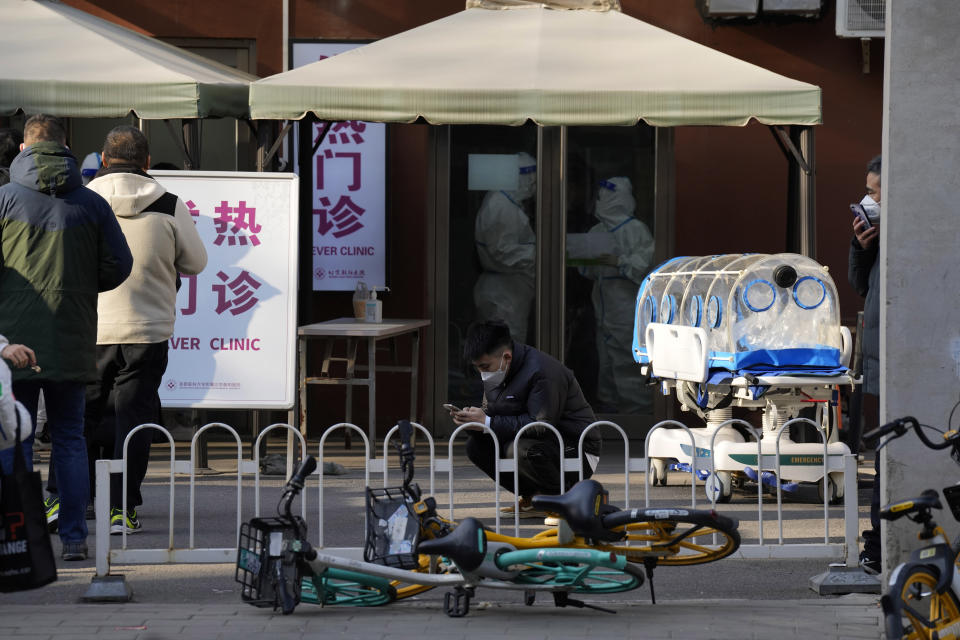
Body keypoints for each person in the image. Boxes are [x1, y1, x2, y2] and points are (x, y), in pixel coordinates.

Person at [0, 114, 133, 561]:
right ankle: (75, 538)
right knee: (70, 438)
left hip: (13, 343)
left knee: (14, 437)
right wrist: (78, 288)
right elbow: (120, 264)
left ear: (24, 149)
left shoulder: (3, 200)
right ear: (66, 148)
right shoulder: (91, 204)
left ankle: (18, 539)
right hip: (74, 336)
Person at [85, 125, 207, 535]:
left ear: (103, 160)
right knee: (133, 420)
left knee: (82, 417)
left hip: (92, 328)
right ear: (147, 163)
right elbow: (196, 262)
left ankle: (78, 502)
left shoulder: (84, 200)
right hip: (148, 329)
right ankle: (123, 509)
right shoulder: (169, 204)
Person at [451, 320, 601, 516]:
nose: (482, 373)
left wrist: (487, 422)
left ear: (506, 357)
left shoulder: (542, 371)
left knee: (520, 449)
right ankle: (533, 497)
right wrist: (475, 422)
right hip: (540, 443)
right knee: (476, 447)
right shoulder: (497, 372)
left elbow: (540, 425)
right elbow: (493, 414)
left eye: (485, 366)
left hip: (577, 447)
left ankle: (560, 501)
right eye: (478, 367)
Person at [578, 177, 655, 414]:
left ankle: (636, 413)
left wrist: (618, 261)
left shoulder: (635, 229)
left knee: (627, 360)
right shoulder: (597, 230)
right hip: (603, 305)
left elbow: (644, 267)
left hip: (626, 306)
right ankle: (610, 410)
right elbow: (586, 270)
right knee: (607, 361)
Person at [848, 154, 882, 574]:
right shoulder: (875, 232)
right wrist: (860, 247)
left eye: (875, 193)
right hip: (878, 355)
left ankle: (877, 541)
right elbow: (861, 285)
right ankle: (875, 542)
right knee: (885, 447)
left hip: (902, 358)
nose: (867, 201)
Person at [473, 152, 537, 343]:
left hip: (505, 292)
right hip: (504, 296)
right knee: (506, 351)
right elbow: (503, 251)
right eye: (533, 180)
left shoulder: (504, 202)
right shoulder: (502, 206)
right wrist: (540, 255)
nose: (534, 187)